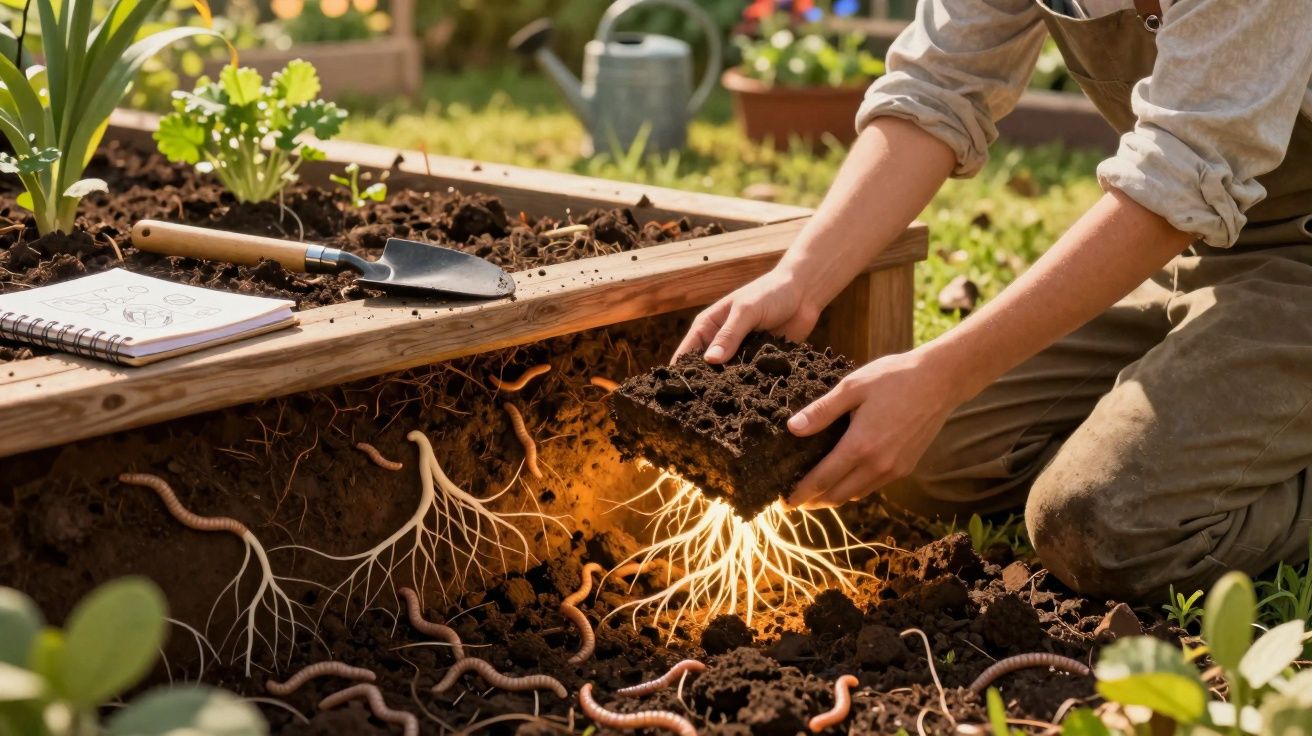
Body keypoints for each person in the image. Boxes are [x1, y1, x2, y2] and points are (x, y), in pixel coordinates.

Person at [675, 0, 1312, 600]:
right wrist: (802, 278)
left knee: (1105, 524)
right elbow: (935, 88)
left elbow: (1181, 171)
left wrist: (943, 375)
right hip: (1201, 239)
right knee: (930, 460)